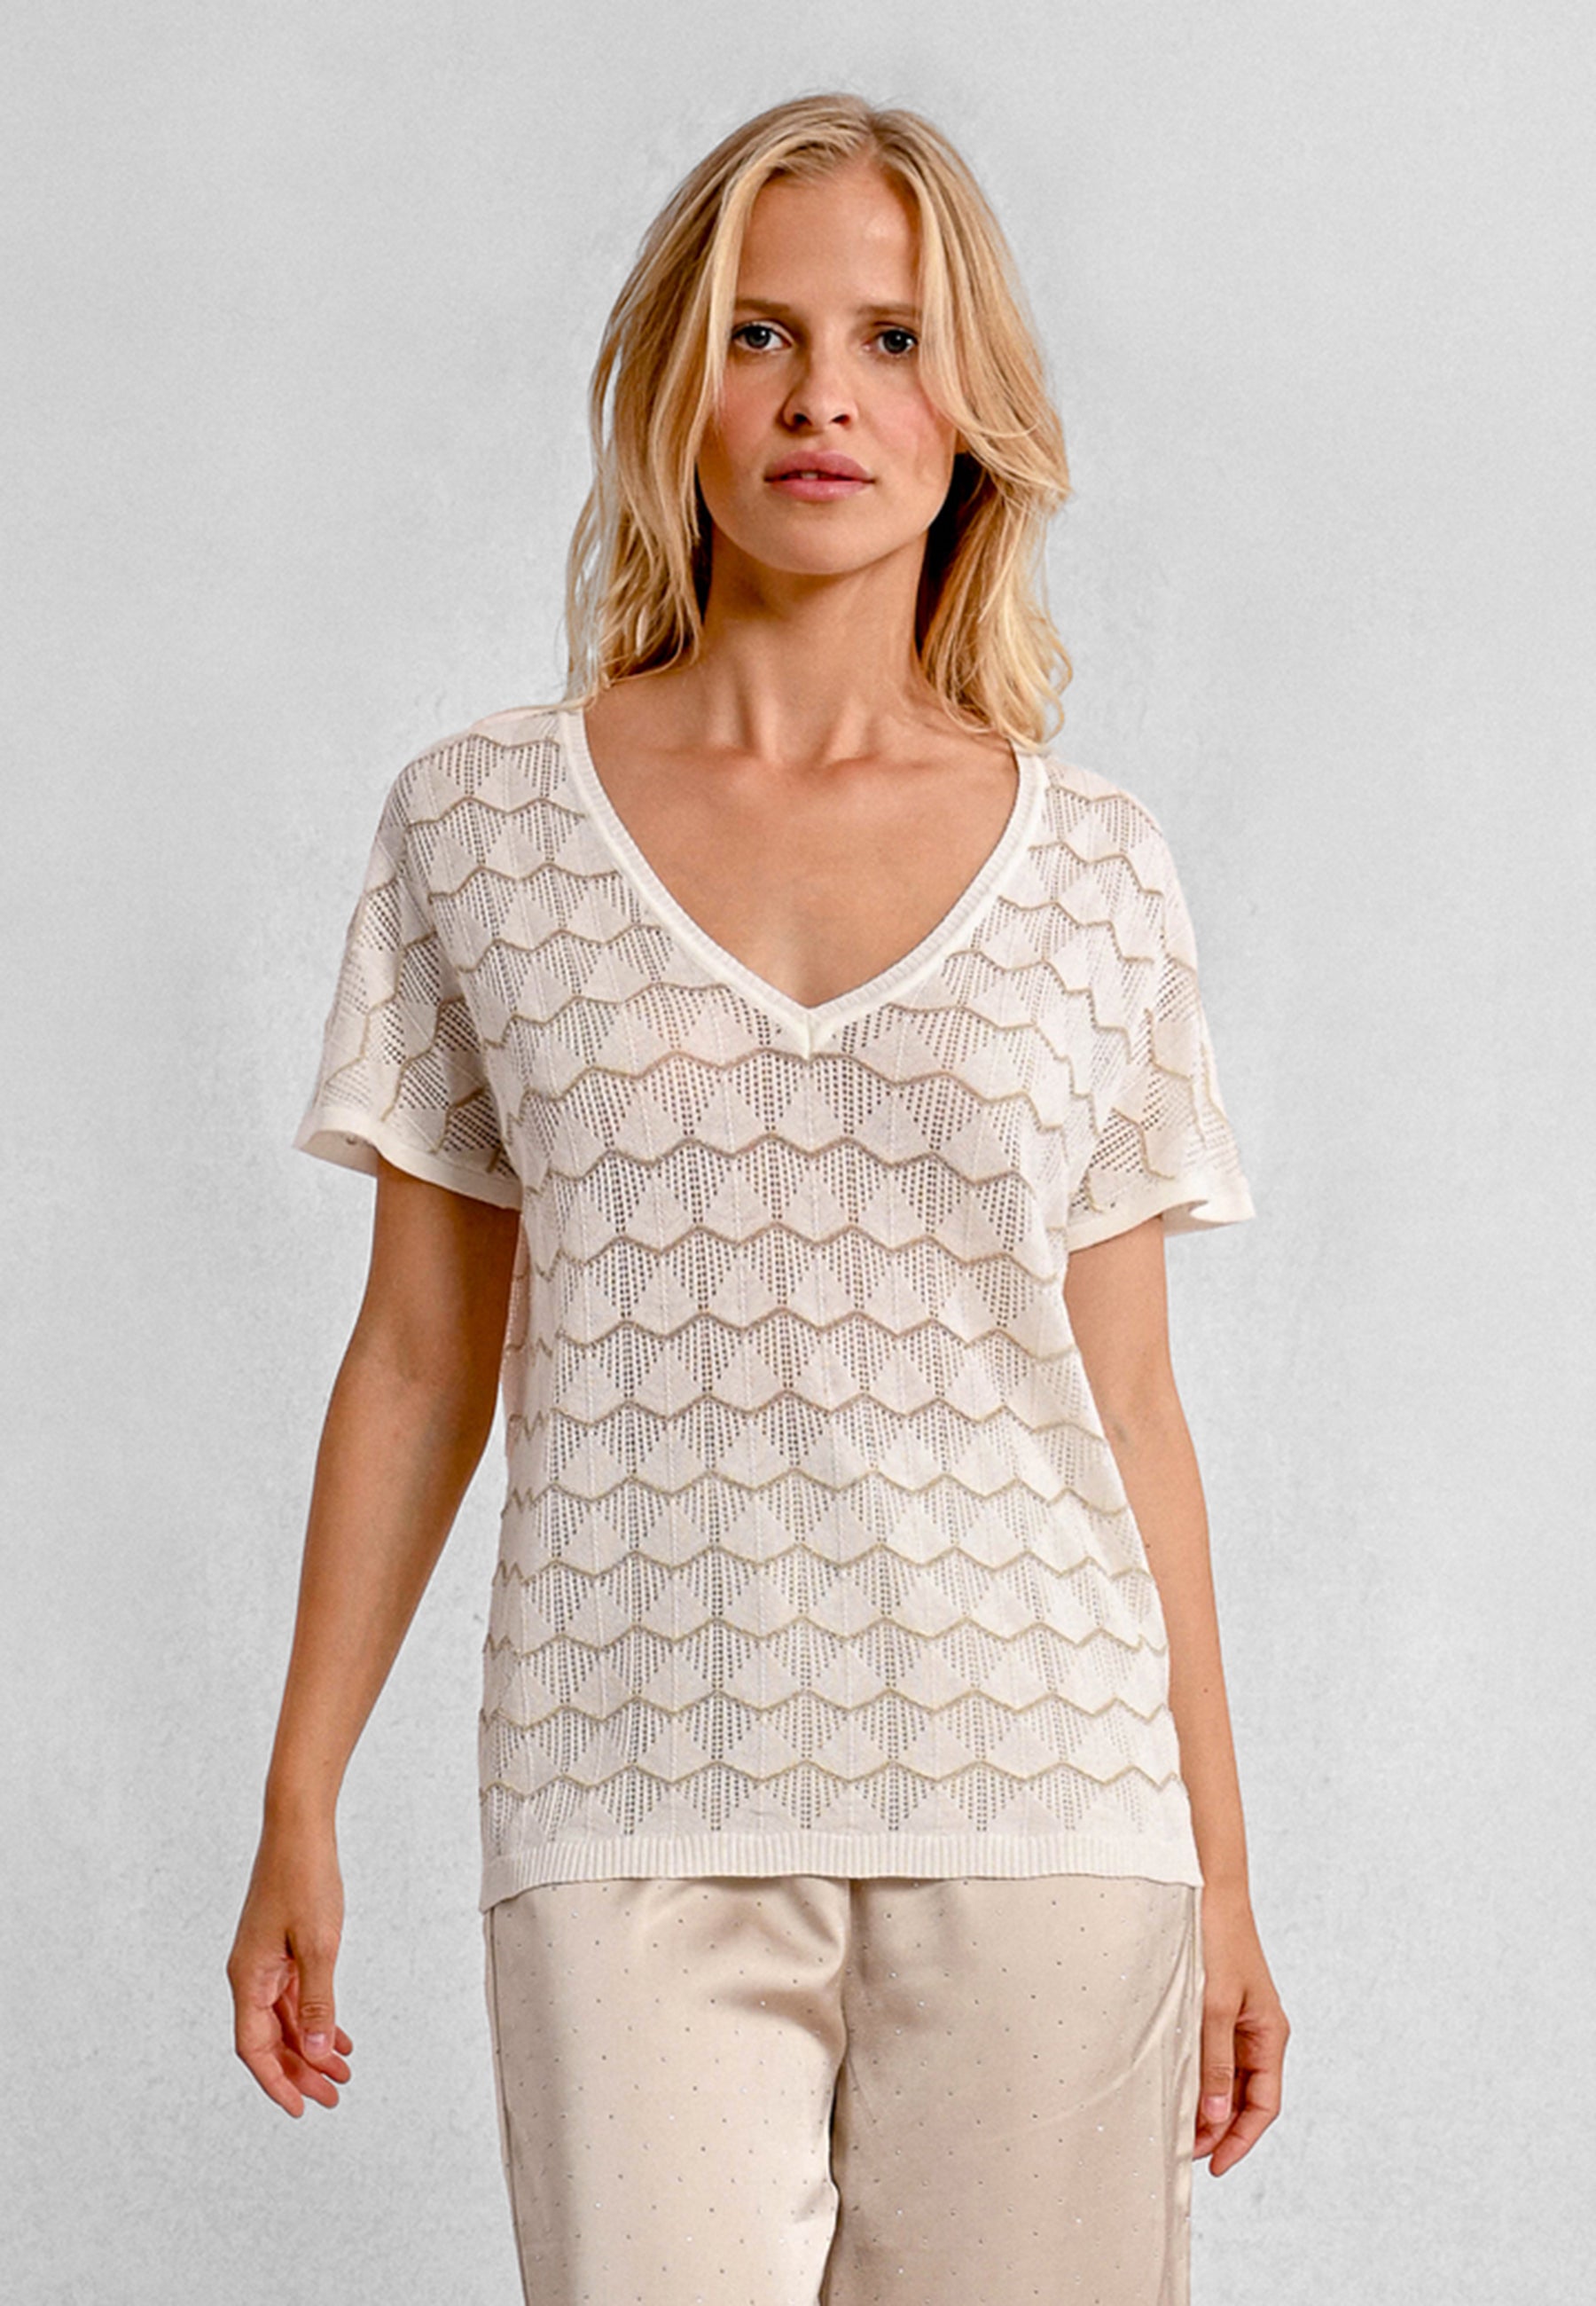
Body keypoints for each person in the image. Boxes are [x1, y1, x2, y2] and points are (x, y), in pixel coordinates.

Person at [229, 90, 1289, 2306]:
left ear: (972, 410)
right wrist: (300, 1785)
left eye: (894, 340)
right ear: (669, 386)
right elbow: (419, 1355)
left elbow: (1132, 1405)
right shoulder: (477, 827)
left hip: (1050, 1800)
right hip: (624, 1793)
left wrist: (1224, 1868)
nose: (824, 398)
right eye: (759, 333)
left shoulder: (1097, 869)